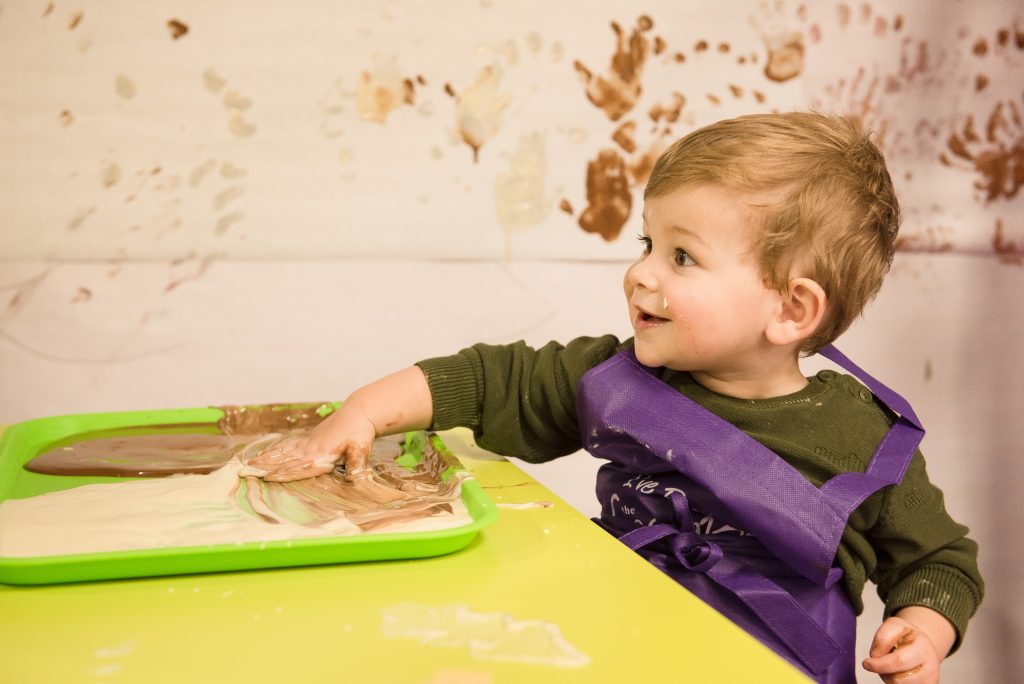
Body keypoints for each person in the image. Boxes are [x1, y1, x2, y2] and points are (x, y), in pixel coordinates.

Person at [244, 112, 983, 684]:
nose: (640, 274)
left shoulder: (865, 440)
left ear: (791, 309)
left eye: (682, 256)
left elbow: (941, 562)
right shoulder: (613, 377)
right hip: (614, 650)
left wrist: (924, 626)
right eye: (646, 244)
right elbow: (486, 379)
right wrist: (363, 412)